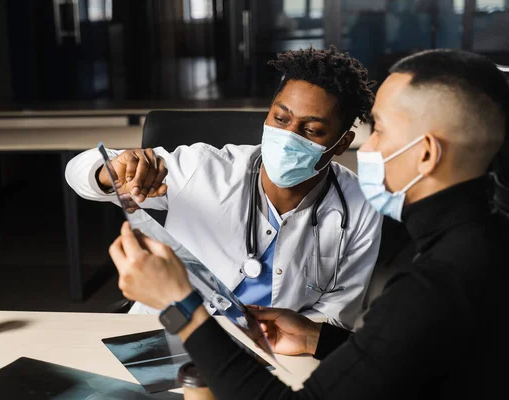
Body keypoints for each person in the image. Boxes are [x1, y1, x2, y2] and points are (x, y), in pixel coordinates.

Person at [108, 48, 509, 399]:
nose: (368, 148)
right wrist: (319, 338)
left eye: (381, 130)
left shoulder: (433, 285)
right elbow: (404, 360)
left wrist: (181, 305)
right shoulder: (483, 244)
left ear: (425, 155)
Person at [65, 46, 382, 333]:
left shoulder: (360, 205)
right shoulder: (204, 168)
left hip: (275, 347)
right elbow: (78, 173)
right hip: (167, 332)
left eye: (311, 130)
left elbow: (337, 313)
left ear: (342, 143)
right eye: (281, 118)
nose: (289, 136)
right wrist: (112, 170)